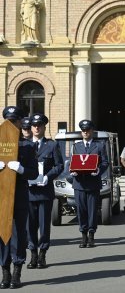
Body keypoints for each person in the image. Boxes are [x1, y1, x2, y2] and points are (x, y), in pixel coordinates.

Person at [0, 106, 38, 289]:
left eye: (14, 121)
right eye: (8, 121)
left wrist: (21, 169)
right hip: (1, 196)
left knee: (18, 234)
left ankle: (17, 271)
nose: (11, 124)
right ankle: (4, 271)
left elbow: (34, 173)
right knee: (2, 235)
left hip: (20, 195)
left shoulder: (28, 146)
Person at [26, 113, 63, 269]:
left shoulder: (52, 145)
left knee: (44, 225)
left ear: (44, 127)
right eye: (34, 125)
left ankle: (42, 254)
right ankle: (32, 253)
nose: (36, 128)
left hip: (45, 191)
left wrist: (48, 177)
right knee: (30, 226)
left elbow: (59, 165)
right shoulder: (24, 144)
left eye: (39, 125)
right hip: (28, 192)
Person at [70, 120, 109, 248]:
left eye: (87, 130)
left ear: (92, 131)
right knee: (81, 210)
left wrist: (99, 170)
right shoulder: (76, 146)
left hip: (93, 182)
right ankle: (83, 235)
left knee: (92, 210)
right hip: (79, 183)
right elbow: (73, 162)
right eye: (83, 130)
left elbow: (105, 162)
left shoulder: (100, 145)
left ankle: (91, 234)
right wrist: (73, 171)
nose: (85, 132)